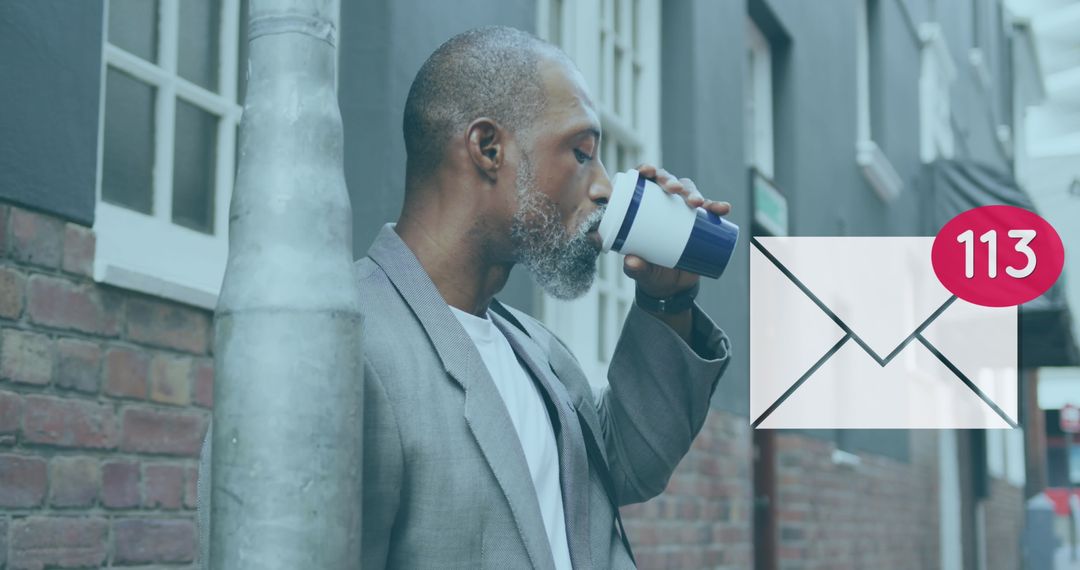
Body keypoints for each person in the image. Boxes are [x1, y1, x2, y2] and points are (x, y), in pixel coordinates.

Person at [199, 25, 732, 569]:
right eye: (580, 152)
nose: (603, 186)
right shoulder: (338, 348)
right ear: (488, 148)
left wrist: (668, 300)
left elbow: (628, 462)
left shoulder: (537, 351)